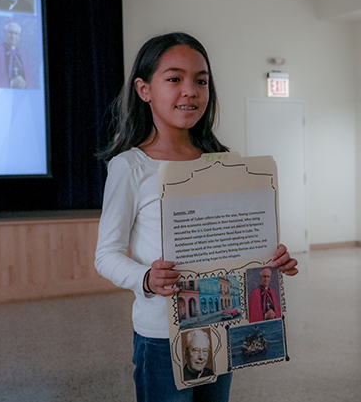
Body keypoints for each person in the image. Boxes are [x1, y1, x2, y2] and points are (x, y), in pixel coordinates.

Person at [95, 32, 298, 402]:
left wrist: (271, 258)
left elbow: (240, 241)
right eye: (174, 79)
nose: (190, 90)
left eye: (200, 80)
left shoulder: (224, 162)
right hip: (161, 335)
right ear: (144, 90)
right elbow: (105, 255)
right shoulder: (131, 167)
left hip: (220, 323)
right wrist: (145, 277)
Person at [0, 21, 32, 89]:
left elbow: (28, 79)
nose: (13, 36)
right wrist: (10, 83)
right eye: (11, 33)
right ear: (5, 33)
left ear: (19, 36)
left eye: (16, 33)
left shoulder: (22, 55)